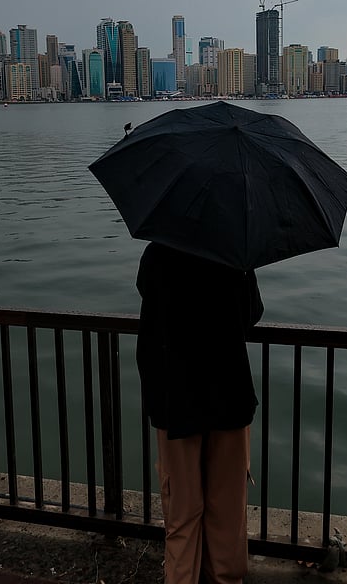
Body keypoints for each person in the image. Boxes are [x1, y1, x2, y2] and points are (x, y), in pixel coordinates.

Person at [135, 241, 263, 584]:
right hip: (229, 394)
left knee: (182, 513)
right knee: (227, 511)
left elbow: (147, 295)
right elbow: (251, 314)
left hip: (175, 400)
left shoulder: (159, 252)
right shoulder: (236, 254)